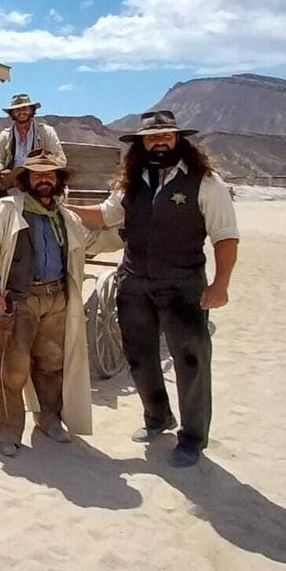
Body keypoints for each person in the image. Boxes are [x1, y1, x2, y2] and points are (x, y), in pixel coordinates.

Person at [67, 110, 239, 468]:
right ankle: (157, 416)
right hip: (134, 281)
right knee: (139, 356)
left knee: (191, 360)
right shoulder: (131, 181)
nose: (159, 142)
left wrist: (220, 284)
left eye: (166, 136)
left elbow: (225, 236)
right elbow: (106, 214)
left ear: (178, 140)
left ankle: (193, 437)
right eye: (152, 138)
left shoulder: (205, 183)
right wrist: (62, 206)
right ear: (142, 144)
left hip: (182, 283)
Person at [0, 148, 118, 457]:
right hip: (21, 300)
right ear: (26, 179)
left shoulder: (64, 215)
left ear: (58, 179)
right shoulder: (8, 208)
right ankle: (2, 431)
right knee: (13, 369)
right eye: (37, 174)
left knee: (52, 365)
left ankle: (49, 420)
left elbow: (90, 242)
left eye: (50, 174)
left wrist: (127, 235)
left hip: (58, 299)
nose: (44, 179)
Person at [0, 92, 65, 176]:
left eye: (25, 108)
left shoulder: (46, 132)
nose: (21, 112)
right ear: (12, 113)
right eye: (17, 109)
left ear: (31, 110)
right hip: (13, 177)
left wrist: (44, 169)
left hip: (38, 175)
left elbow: (59, 159)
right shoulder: (5, 136)